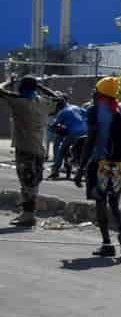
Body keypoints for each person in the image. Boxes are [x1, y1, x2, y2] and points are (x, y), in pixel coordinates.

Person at [77, 76, 121, 258]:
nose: (93, 93)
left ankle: (107, 243)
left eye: (95, 90)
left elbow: (89, 141)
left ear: (100, 93)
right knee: (114, 203)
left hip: (100, 163)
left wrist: (80, 168)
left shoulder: (93, 110)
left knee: (100, 202)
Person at [0, 75, 60, 227]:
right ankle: (28, 214)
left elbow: (0, 90)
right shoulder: (44, 102)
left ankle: (28, 216)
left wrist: (10, 82)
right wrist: (40, 86)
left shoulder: (19, 102)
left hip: (25, 149)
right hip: (40, 150)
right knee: (33, 183)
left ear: (22, 88)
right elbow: (59, 100)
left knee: (26, 183)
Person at [50, 95, 86, 180]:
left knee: (62, 150)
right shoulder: (75, 106)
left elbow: (54, 125)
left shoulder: (62, 112)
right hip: (86, 131)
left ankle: (55, 171)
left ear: (58, 106)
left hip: (74, 133)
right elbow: (86, 113)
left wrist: (53, 127)